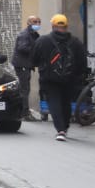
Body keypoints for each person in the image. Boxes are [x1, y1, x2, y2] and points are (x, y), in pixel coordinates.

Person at [34, 13, 87, 141]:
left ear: (53, 26)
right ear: (66, 26)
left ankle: (60, 130)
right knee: (66, 102)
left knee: (54, 102)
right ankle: (66, 126)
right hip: (69, 79)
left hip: (49, 78)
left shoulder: (43, 40)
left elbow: (34, 59)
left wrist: (42, 66)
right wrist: (79, 76)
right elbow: (82, 62)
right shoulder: (76, 42)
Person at [11, 16, 42, 123]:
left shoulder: (33, 34)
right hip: (22, 64)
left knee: (25, 89)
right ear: (28, 22)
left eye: (39, 22)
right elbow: (22, 47)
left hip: (26, 64)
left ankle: (23, 112)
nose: (37, 24)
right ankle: (24, 113)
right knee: (25, 89)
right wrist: (36, 50)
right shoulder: (25, 35)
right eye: (35, 22)